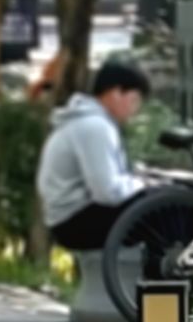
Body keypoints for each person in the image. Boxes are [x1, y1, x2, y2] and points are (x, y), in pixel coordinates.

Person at [37, 61, 151, 252]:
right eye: (134, 100)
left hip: (68, 218)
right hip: (75, 221)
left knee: (163, 205)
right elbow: (107, 192)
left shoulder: (86, 121)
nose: (135, 109)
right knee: (170, 206)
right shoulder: (95, 126)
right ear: (115, 93)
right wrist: (142, 183)